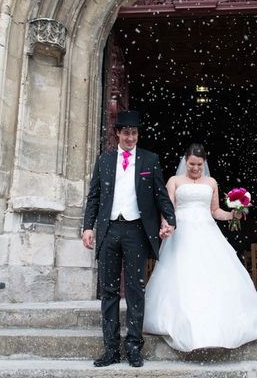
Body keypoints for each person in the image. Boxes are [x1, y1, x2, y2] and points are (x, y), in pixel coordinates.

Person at [144, 143, 257, 352]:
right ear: (185, 161)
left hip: (207, 230)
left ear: (204, 162)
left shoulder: (211, 182)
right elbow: (167, 208)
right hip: (181, 232)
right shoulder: (174, 181)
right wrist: (166, 225)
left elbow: (215, 211)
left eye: (199, 164)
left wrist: (233, 214)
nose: (195, 168)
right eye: (191, 164)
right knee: (182, 274)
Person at [82, 110, 176, 368]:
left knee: (135, 290)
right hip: (109, 230)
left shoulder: (149, 160)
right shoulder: (104, 160)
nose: (131, 137)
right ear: (118, 134)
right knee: (109, 291)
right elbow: (94, 197)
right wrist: (87, 227)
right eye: (126, 133)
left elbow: (160, 195)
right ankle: (111, 349)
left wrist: (170, 219)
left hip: (136, 231)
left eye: (134, 133)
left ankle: (134, 347)